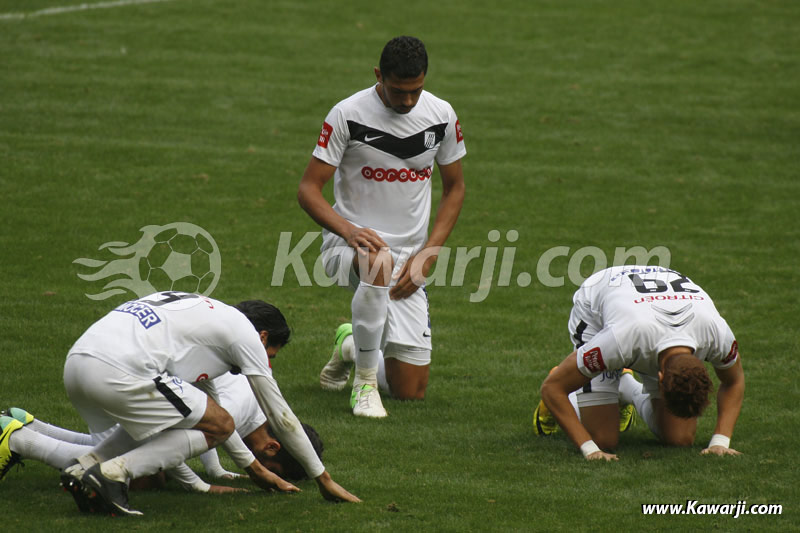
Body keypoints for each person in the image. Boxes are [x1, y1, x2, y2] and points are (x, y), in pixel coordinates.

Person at [50, 291, 358, 515]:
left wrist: (253, 469)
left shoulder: (207, 317)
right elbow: (280, 415)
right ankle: (113, 473)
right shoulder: (245, 336)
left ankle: (84, 467)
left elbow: (211, 411)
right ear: (262, 338)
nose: (266, 362)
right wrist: (323, 478)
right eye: (270, 356)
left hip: (77, 365)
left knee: (185, 417)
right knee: (215, 423)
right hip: (118, 370)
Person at [297, 36, 467, 418]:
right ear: (378, 75)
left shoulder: (441, 115)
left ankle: (349, 345)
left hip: (410, 258)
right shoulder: (347, 114)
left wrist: (429, 252)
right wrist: (347, 231)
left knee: (411, 390)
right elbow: (308, 189)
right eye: (398, 91)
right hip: (350, 246)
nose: (407, 101)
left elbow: (455, 188)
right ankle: (364, 385)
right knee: (377, 260)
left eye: (416, 90)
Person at [533, 265, 745, 461]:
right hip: (598, 304)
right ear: (660, 378)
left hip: (648, 311)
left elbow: (734, 381)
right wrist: (591, 450)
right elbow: (552, 388)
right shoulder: (620, 339)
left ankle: (625, 386)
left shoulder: (717, 335)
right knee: (603, 440)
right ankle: (572, 383)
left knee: (679, 438)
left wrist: (720, 442)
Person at [0, 372, 325, 494]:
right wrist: (201, 486)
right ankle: (19, 439)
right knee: (139, 477)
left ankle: (30, 424)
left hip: (120, 374)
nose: (269, 476)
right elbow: (167, 445)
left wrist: (216, 472)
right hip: (120, 387)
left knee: (129, 457)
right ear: (270, 448)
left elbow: (206, 422)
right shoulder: (237, 411)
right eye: (275, 472)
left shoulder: (247, 408)